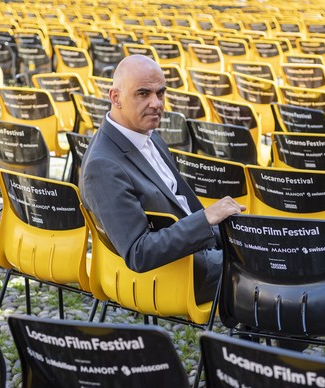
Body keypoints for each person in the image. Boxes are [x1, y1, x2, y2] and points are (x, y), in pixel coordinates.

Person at [79, 55, 246, 304]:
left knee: (277, 247)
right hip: (176, 273)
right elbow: (139, 253)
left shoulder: (149, 135)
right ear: (115, 98)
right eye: (143, 94)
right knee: (271, 269)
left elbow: (179, 201)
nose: (156, 103)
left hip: (197, 248)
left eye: (160, 93)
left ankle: (256, 332)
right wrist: (205, 219)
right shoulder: (103, 166)